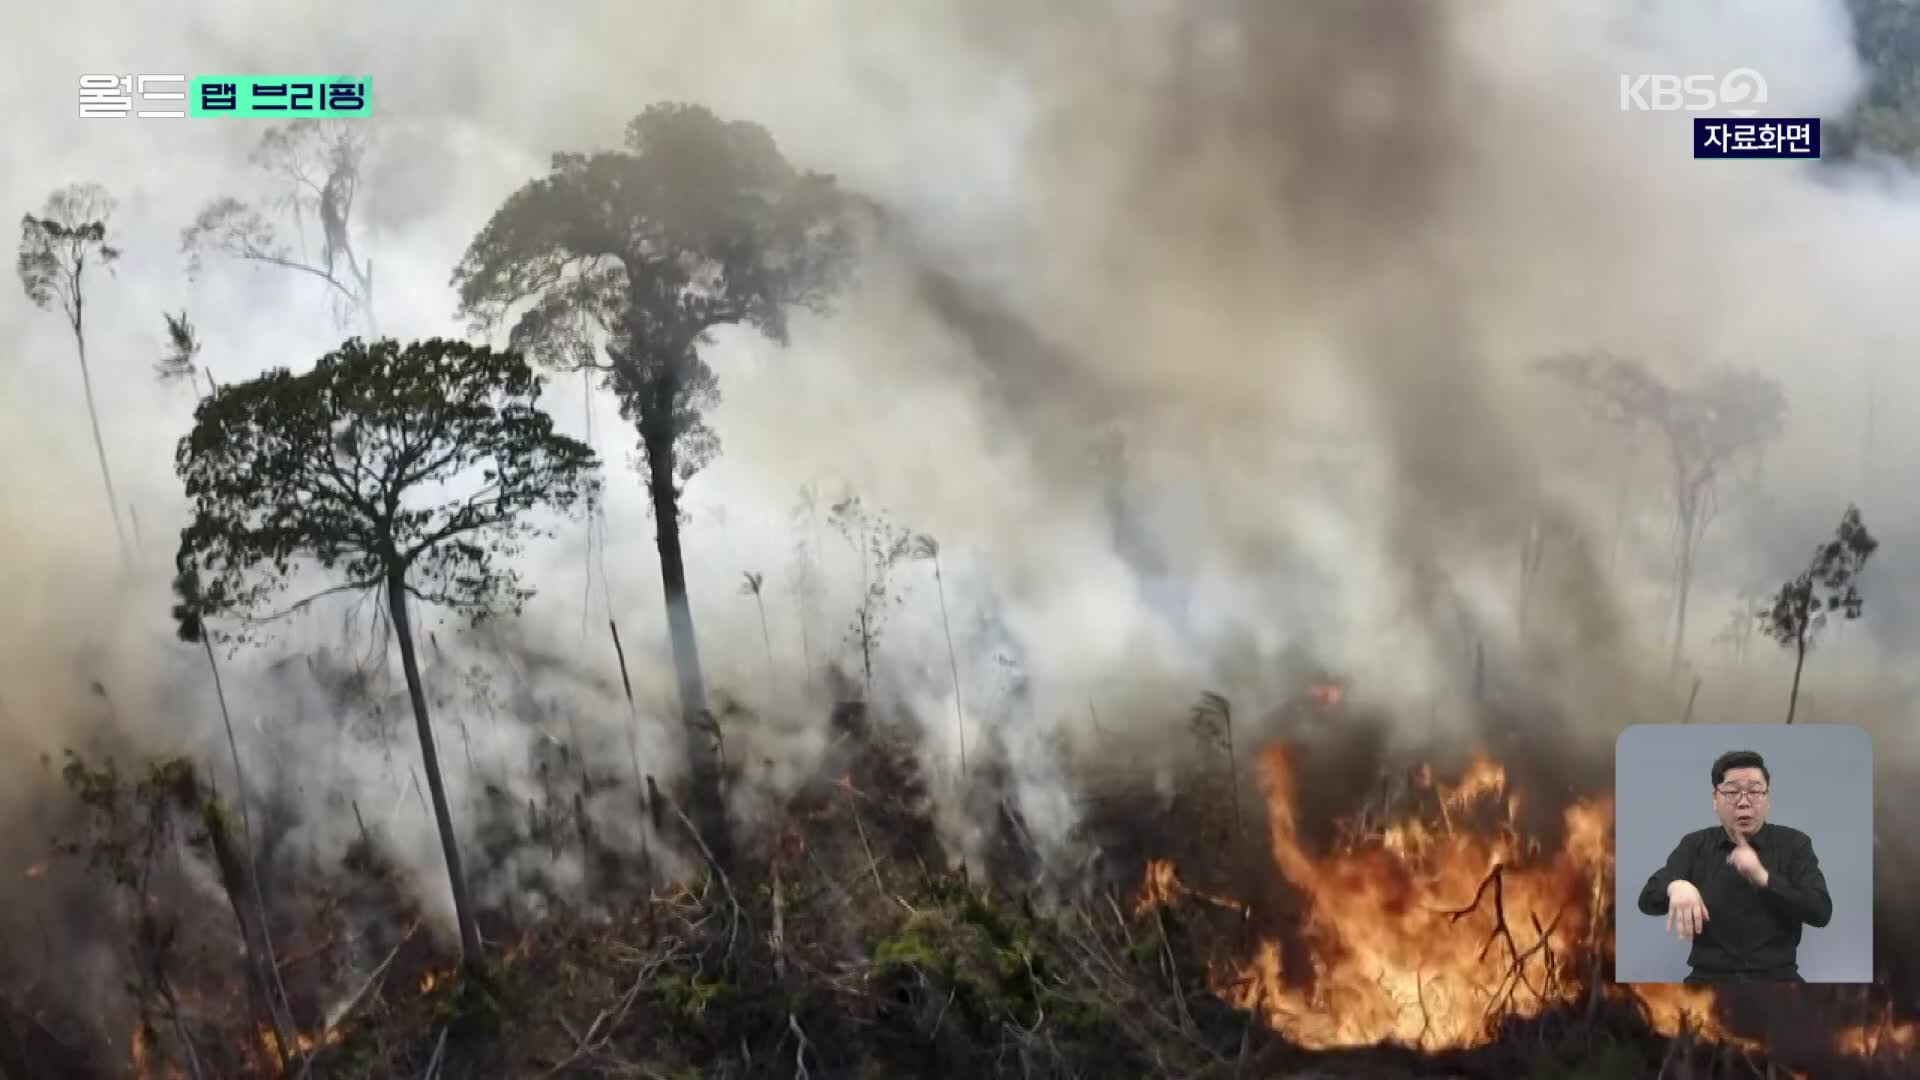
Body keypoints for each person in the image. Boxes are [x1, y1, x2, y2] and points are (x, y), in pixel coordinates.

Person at [1636, 749, 1833, 983]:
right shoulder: (1695, 845)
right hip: (1708, 979)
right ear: (1714, 800)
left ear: (1768, 798)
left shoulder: (1794, 843)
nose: (1743, 802)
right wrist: (1676, 886)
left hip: (1778, 978)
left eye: (1755, 791)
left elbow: (1820, 911)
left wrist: (1763, 877)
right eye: (1731, 792)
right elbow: (1647, 899)